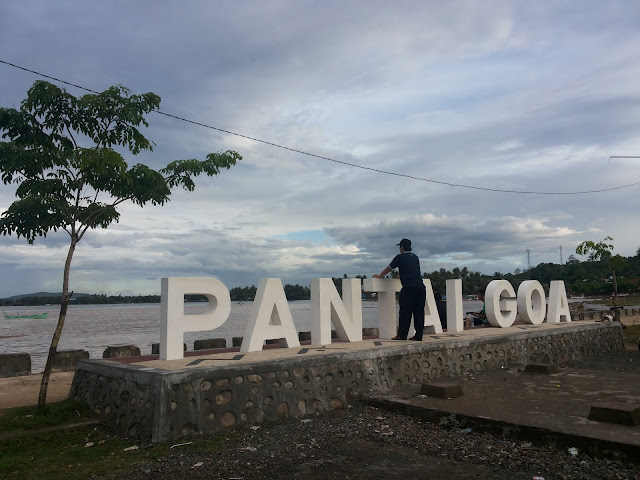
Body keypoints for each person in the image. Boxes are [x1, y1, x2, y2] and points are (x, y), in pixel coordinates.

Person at [374, 238, 426, 341]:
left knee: (405, 312)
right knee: (419, 313)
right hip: (420, 288)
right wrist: (400, 276)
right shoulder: (415, 257)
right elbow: (411, 270)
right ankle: (418, 335)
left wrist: (379, 276)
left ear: (401, 247)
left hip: (408, 288)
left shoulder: (399, 257)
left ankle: (402, 335)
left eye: (400, 247)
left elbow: (389, 268)